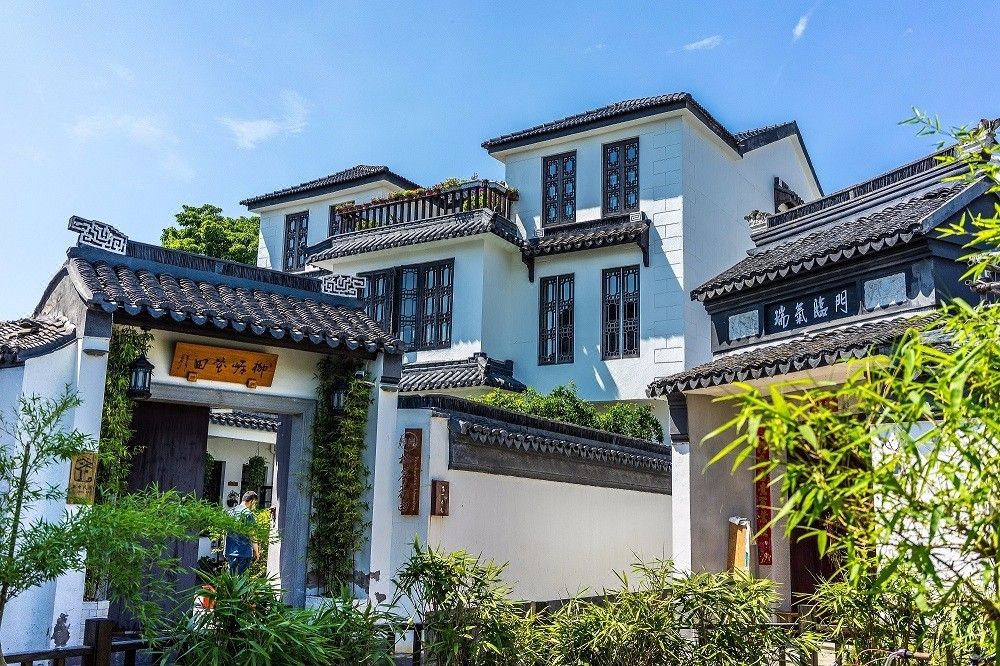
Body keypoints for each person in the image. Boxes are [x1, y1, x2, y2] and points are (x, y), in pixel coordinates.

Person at [224, 491, 259, 575]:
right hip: (244, 552)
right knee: (241, 580)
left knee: (231, 579)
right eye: (255, 503)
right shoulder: (248, 514)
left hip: (230, 551)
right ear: (252, 501)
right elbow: (252, 535)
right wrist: (256, 552)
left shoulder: (230, 512)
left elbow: (225, 532)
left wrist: (225, 550)